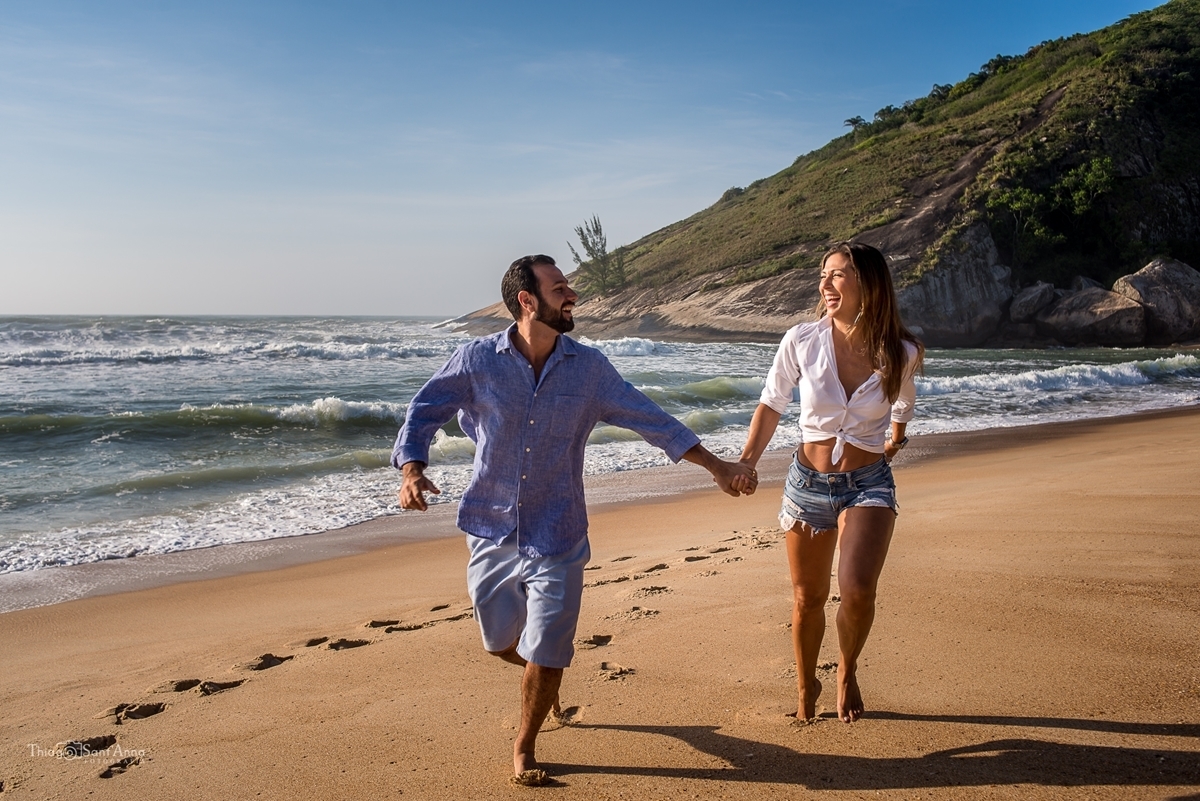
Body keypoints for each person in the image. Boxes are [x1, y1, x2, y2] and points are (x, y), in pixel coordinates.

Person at [393, 254, 756, 786]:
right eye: (560, 287)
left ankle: (525, 744)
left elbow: (650, 419)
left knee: (548, 646)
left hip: (559, 529)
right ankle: (545, 679)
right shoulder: (476, 360)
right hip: (491, 525)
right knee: (498, 643)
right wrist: (411, 470)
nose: (572, 296)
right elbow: (423, 411)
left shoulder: (589, 369)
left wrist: (717, 467)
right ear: (527, 300)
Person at [733, 241, 923, 724]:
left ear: (868, 283)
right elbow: (772, 403)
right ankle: (806, 681)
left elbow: (902, 402)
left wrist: (895, 435)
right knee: (807, 598)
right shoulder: (801, 340)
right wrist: (747, 461)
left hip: (868, 483)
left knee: (858, 590)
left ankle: (847, 670)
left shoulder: (902, 351)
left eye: (838, 274)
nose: (825, 284)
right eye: (824, 274)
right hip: (809, 483)